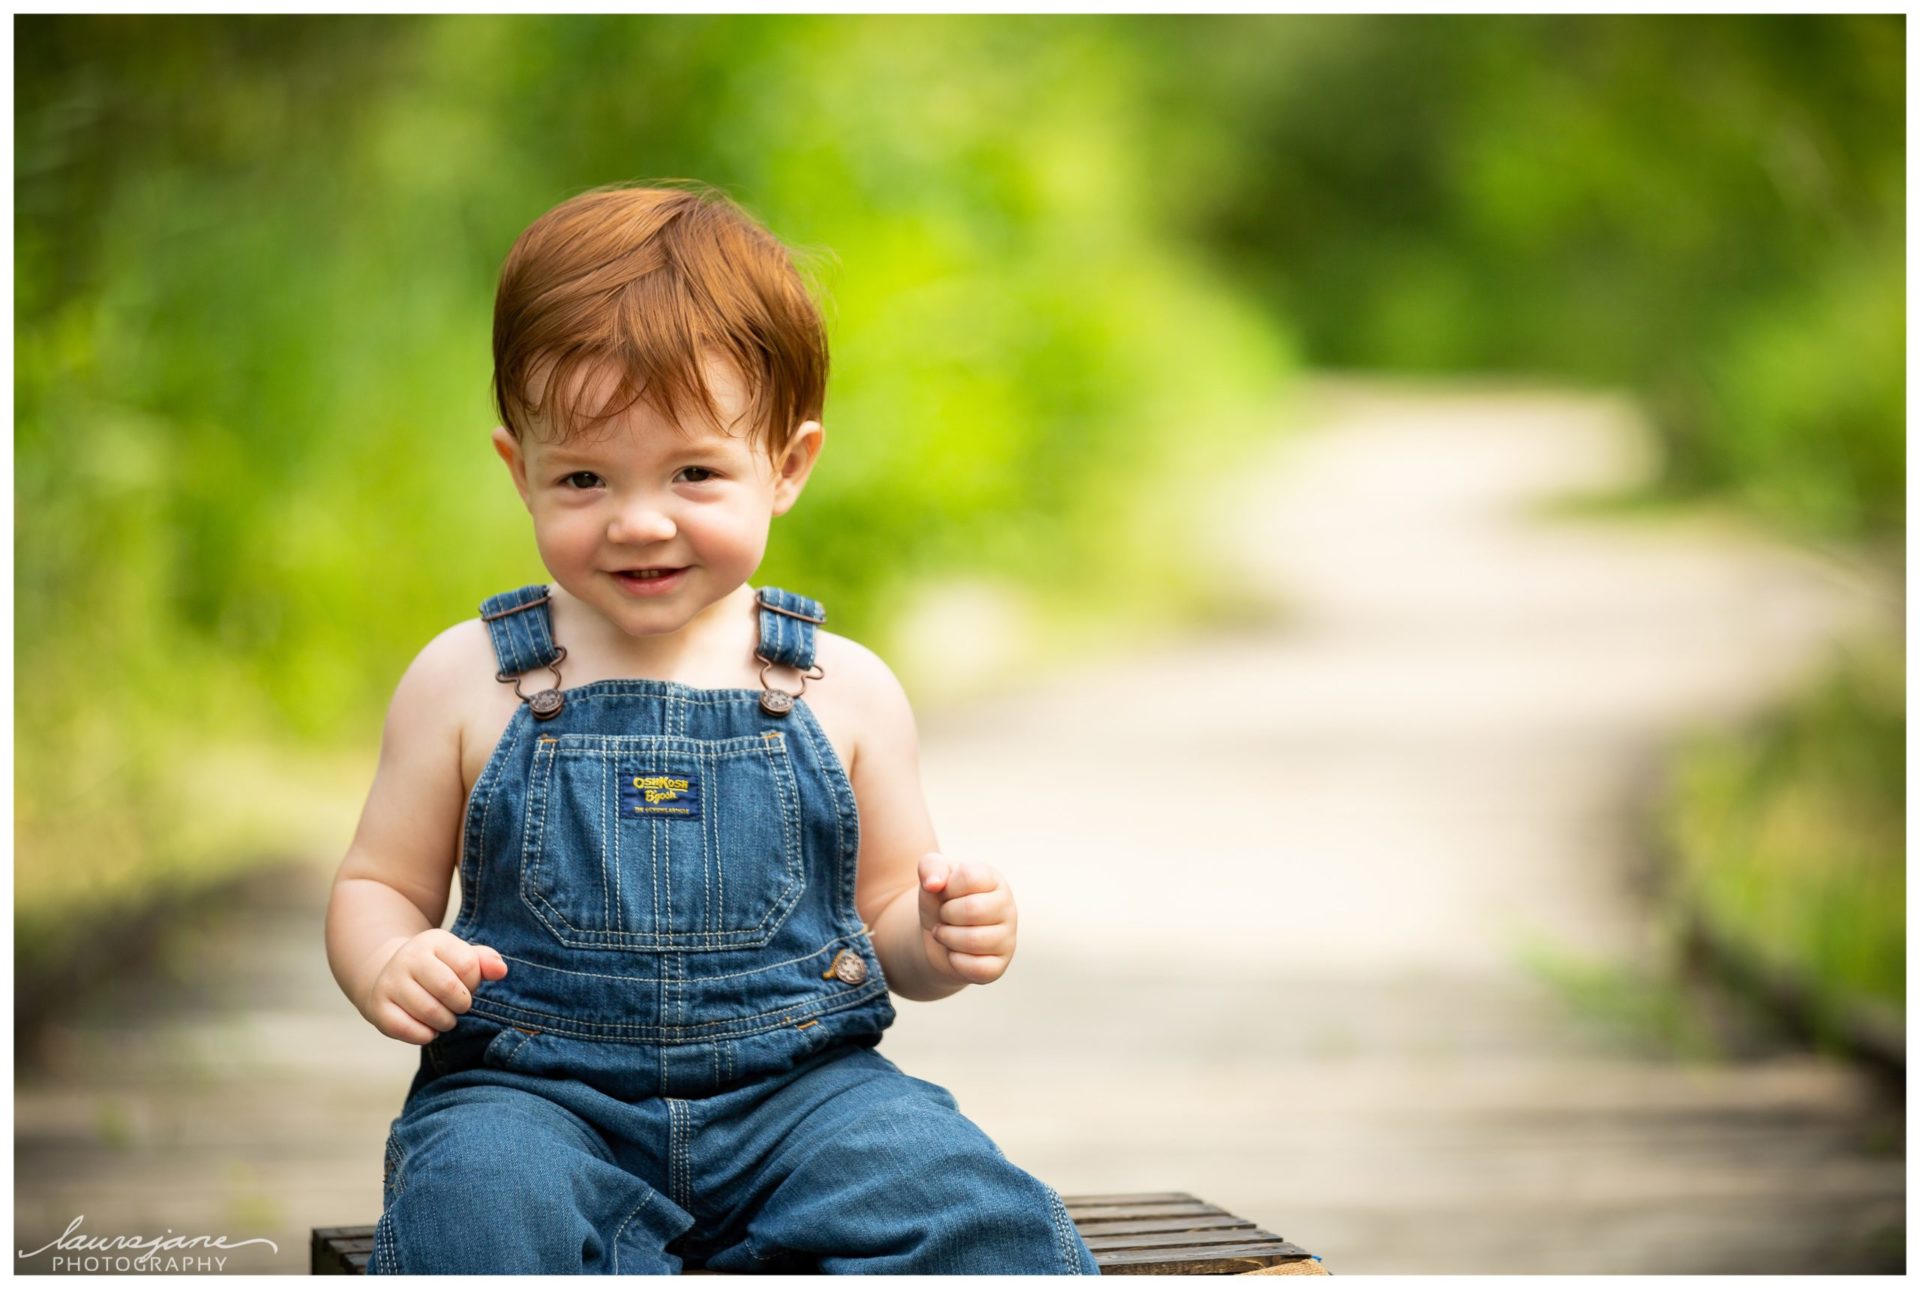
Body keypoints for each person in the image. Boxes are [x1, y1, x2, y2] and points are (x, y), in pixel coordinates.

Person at [323, 183, 1100, 1275]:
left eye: (693, 472)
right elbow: (376, 885)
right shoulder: (464, 679)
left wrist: (940, 939)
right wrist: (389, 961)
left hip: (803, 1100)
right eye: (585, 477)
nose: (640, 519)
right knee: (478, 1207)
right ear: (520, 469)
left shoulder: (846, 686)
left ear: (786, 464)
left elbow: (882, 920)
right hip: (535, 1096)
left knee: (976, 1210)